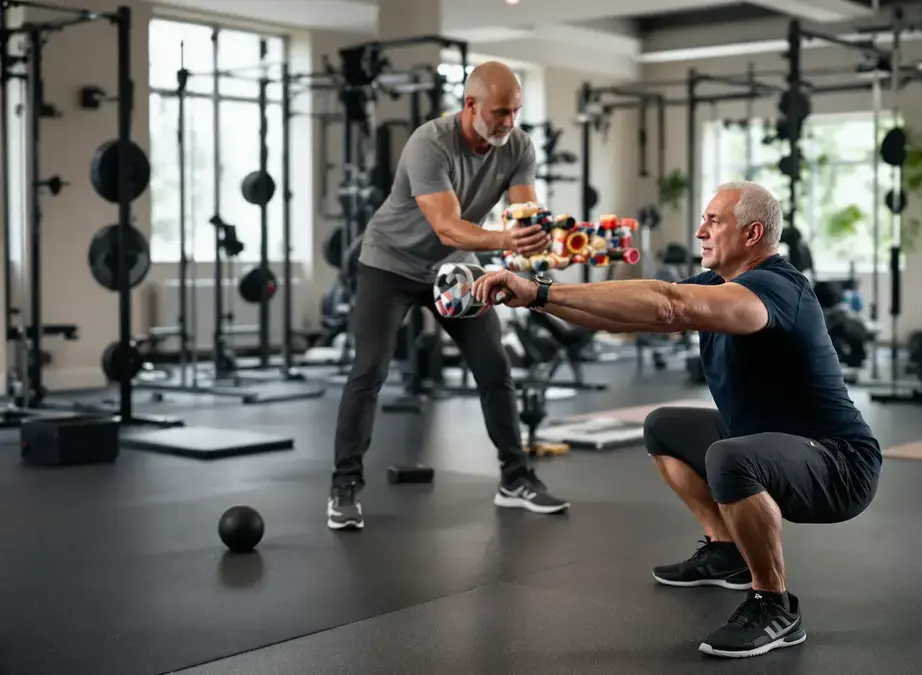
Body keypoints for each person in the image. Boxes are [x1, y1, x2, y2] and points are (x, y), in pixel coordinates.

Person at [472, 181, 882, 659]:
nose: (700, 231)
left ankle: (774, 605)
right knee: (664, 426)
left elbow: (670, 303)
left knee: (730, 458)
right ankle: (726, 548)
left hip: (840, 463)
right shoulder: (720, 284)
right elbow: (630, 316)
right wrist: (538, 297)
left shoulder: (776, 288)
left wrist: (541, 290)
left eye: (713, 221)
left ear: (752, 234)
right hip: (772, 442)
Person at [327, 61, 570, 531]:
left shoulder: (517, 145)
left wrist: (539, 241)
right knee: (369, 369)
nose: (509, 122)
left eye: (516, 111)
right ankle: (344, 486)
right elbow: (446, 225)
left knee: (494, 367)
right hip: (390, 263)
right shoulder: (430, 142)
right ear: (470, 105)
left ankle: (515, 479)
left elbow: (522, 213)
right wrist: (506, 243)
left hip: (456, 268)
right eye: (500, 112)